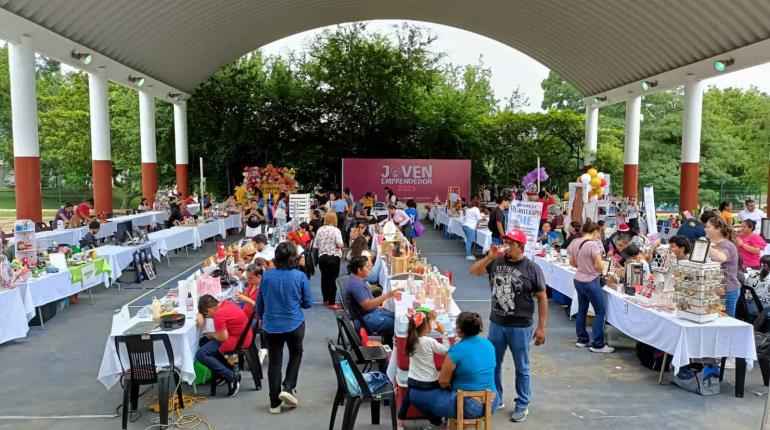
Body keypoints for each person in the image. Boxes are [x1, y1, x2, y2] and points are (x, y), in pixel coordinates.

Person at [469, 228, 547, 422]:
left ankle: (522, 403)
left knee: (522, 366)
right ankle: (497, 398)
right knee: (493, 363)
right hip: (497, 322)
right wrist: (489, 257)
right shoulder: (496, 261)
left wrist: (541, 326)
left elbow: (542, 297)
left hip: (521, 325)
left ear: (520, 246)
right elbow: (474, 271)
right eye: (506, 242)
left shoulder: (531, 268)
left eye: (511, 243)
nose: (507, 247)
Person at [408, 312, 499, 421]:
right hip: (493, 402)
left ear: (459, 331)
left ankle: (437, 422)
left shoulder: (457, 350)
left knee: (414, 394)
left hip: (469, 405)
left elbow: (443, 382)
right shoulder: (488, 344)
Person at [256, 241, 313, 414]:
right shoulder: (299, 276)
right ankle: (288, 387)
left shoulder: (266, 276)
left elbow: (260, 302)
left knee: (274, 361)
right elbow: (308, 303)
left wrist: (261, 317)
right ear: (294, 257)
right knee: (296, 353)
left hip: (271, 325)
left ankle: (274, 403)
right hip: (294, 323)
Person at [397, 309, 449, 425]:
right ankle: (443, 420)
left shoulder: (411, 339)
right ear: (426, 328)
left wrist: (431, 319)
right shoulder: (430, 341)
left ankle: (400, 420)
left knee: (408, 398)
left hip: (413, 380)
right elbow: (447, 351)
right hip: (430, 382)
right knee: (446, 388)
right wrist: (443, 333)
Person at [568, 221, 614, 353]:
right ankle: (598, 344)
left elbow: (571, 262)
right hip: (590, 281)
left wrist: (582, 267)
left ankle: (582, 339)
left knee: (582, 309)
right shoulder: (592, 245)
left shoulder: (576, 242)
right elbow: (600, 267)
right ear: (595, 231)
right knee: (600, 311)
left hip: (578, 279)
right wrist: (592, 268)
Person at [195, 294, 252, 397]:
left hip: (238, 340)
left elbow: (223, 338)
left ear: (210, 310)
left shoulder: (218, 314)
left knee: (201, 354)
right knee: (204, 342)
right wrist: (201, 314)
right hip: (244, 335)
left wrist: (212, 335)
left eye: (206, 315)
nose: (208, 317)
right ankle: (230, 368)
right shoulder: (226, 303)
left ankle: (231, 376)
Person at [344, 256, 401, 344]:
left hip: (371, 312)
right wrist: (387, 295)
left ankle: (389, 342)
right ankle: (392, 348)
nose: (370, 269)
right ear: (359, 270)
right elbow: (367, 305)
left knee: (398, 317)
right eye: (367, 267)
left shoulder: (356, 279)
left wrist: (377, 306)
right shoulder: (356, 286)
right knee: (399, 324)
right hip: (366, 319)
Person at [705, 216, 740, 317]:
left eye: (708, 227)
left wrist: (707, 245)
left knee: (726, 322)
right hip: (716, 289)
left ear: (718, 229)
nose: (705, 229)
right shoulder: (715, 244)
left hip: (727, 289)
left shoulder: (726, 245)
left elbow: (721, 257)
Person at [316, 211, 344, 309]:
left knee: (324, 278)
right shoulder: (336, 230)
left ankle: (326, 299)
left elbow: (316, 244)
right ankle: (332, 302)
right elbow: (340, 244)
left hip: (322, 257)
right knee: (332, 279)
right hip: (333, 257)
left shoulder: (320, 230)